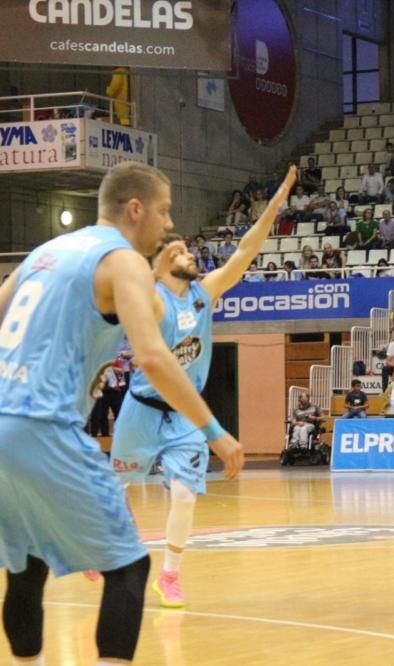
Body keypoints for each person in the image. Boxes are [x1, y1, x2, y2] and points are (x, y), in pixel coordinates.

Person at [0, 162, 244, 666]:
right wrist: (214, 430)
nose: (168, 225)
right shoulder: (121, 261)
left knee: (28, 566)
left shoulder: (46, 251)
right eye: (164, 211)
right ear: (135, 208)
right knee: (128, 567)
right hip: (40, 423)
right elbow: (151, 356)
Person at [110, 165, 296, 609]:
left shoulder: (204, 294)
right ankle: (108, 538)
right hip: (141, 408)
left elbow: (245, 251)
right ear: (164, 263)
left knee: (185, 496)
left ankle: (170, 576)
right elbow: (133, 283)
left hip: (185, 414)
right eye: (182, 252)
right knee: (114, 493)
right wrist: (155, 265)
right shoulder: (154, 299)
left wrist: (276, 203)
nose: (192, 255)